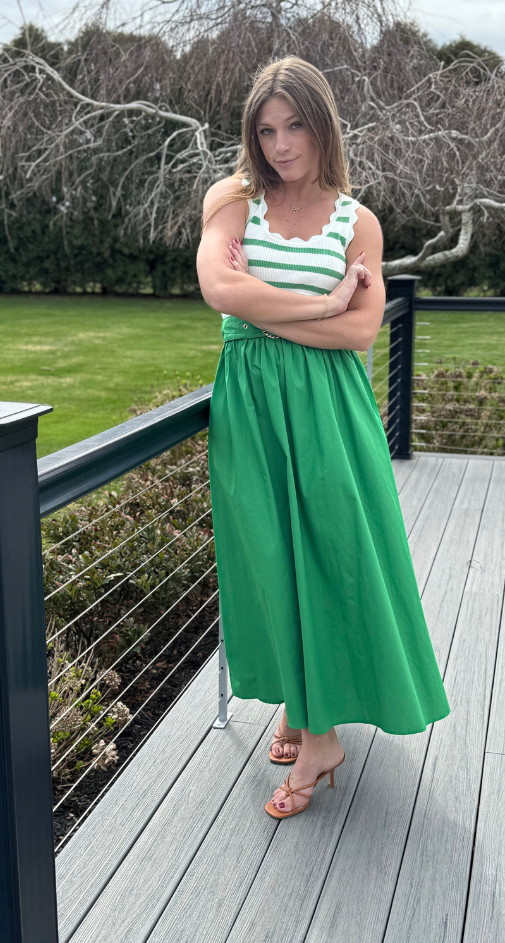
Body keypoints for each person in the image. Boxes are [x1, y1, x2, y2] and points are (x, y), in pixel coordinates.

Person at [196, 56, 450, 820]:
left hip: (332, 412)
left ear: (323, 126)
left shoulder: (357, 221)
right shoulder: (232, 200)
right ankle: (303, 709)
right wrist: (322, 301)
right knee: (269, 560)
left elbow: (361, 331)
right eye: (266, 130)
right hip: (251, 410)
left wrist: (267, 306)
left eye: (295, 126)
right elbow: (218, 287)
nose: (280, 145)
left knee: (336, 557)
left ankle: (321, 738)